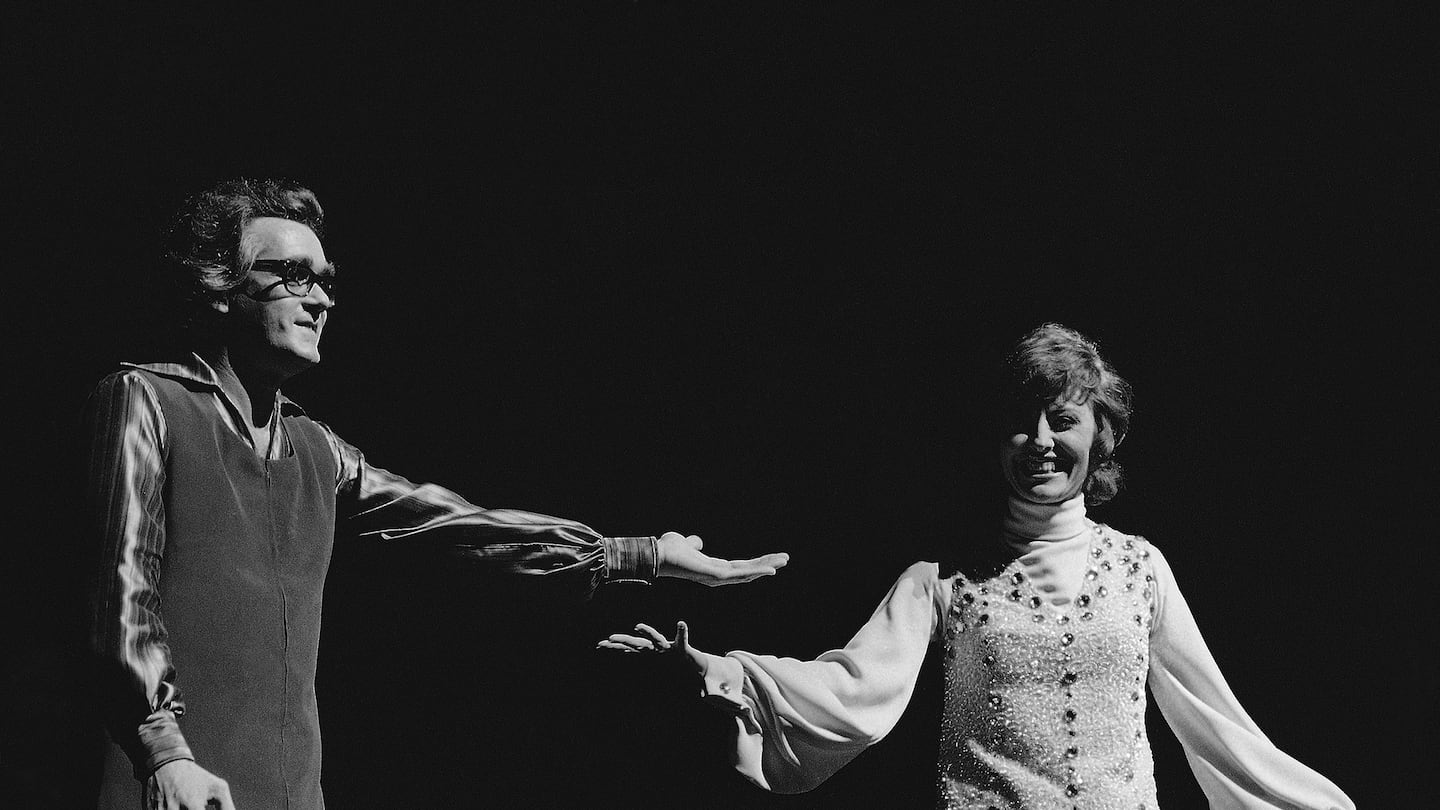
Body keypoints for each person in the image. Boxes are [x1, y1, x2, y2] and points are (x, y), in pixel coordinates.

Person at [85, 177, 790, 810]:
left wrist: (642, 556)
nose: (322, 299)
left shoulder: (317, 450)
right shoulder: (147, 400)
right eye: (294, 275)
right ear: (219, 283)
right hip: (172, 783)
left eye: (327, 280)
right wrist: (165, 751)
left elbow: (461, 526)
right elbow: (125, 592)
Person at [599, 323, 1354, 809]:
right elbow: (852, 687)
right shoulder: (942, 578)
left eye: (1062, 420)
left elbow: (1213, 723)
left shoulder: (1141, 569)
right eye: (1019, 424)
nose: (1041, 441)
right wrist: (724, 670)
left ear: (1101, 436)